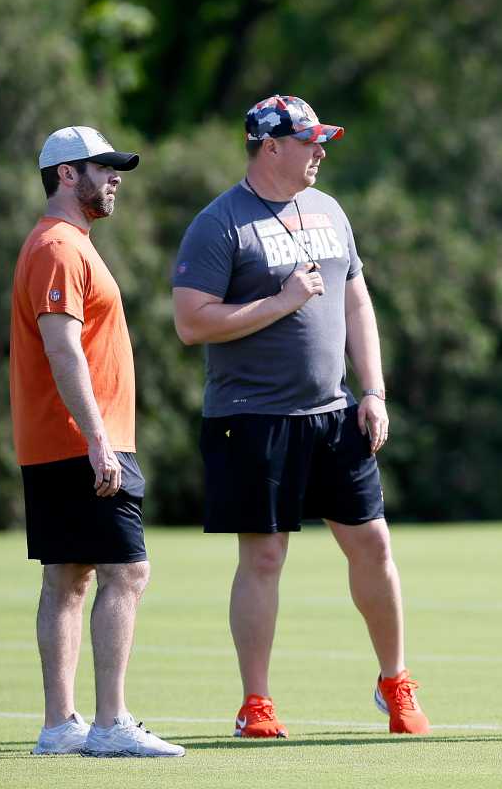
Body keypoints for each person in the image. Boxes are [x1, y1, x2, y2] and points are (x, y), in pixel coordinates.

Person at [170, 95, 430, 738]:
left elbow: (358, 305)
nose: (321, 151)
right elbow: (190, 322)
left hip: (335, 413)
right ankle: (255, 704)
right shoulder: (218, 223)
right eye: (309, 141)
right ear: (270, 146)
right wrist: (280, 302)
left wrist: (374, 391)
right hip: (251, 416)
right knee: (263, 558)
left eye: (322, 140)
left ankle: (395, 683)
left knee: (373, 545)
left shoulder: (330, 209)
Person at [10, 126, 184, 757]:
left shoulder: (64, 243)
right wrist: (98, 440)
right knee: (126, 571)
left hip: (63, 441)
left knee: (68, 578)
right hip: (82, 440)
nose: (114, 178)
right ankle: (109, 724)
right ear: (66, 175)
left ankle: (61, 727)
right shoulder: (59, 246)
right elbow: (63, 349)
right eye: (102, 167)